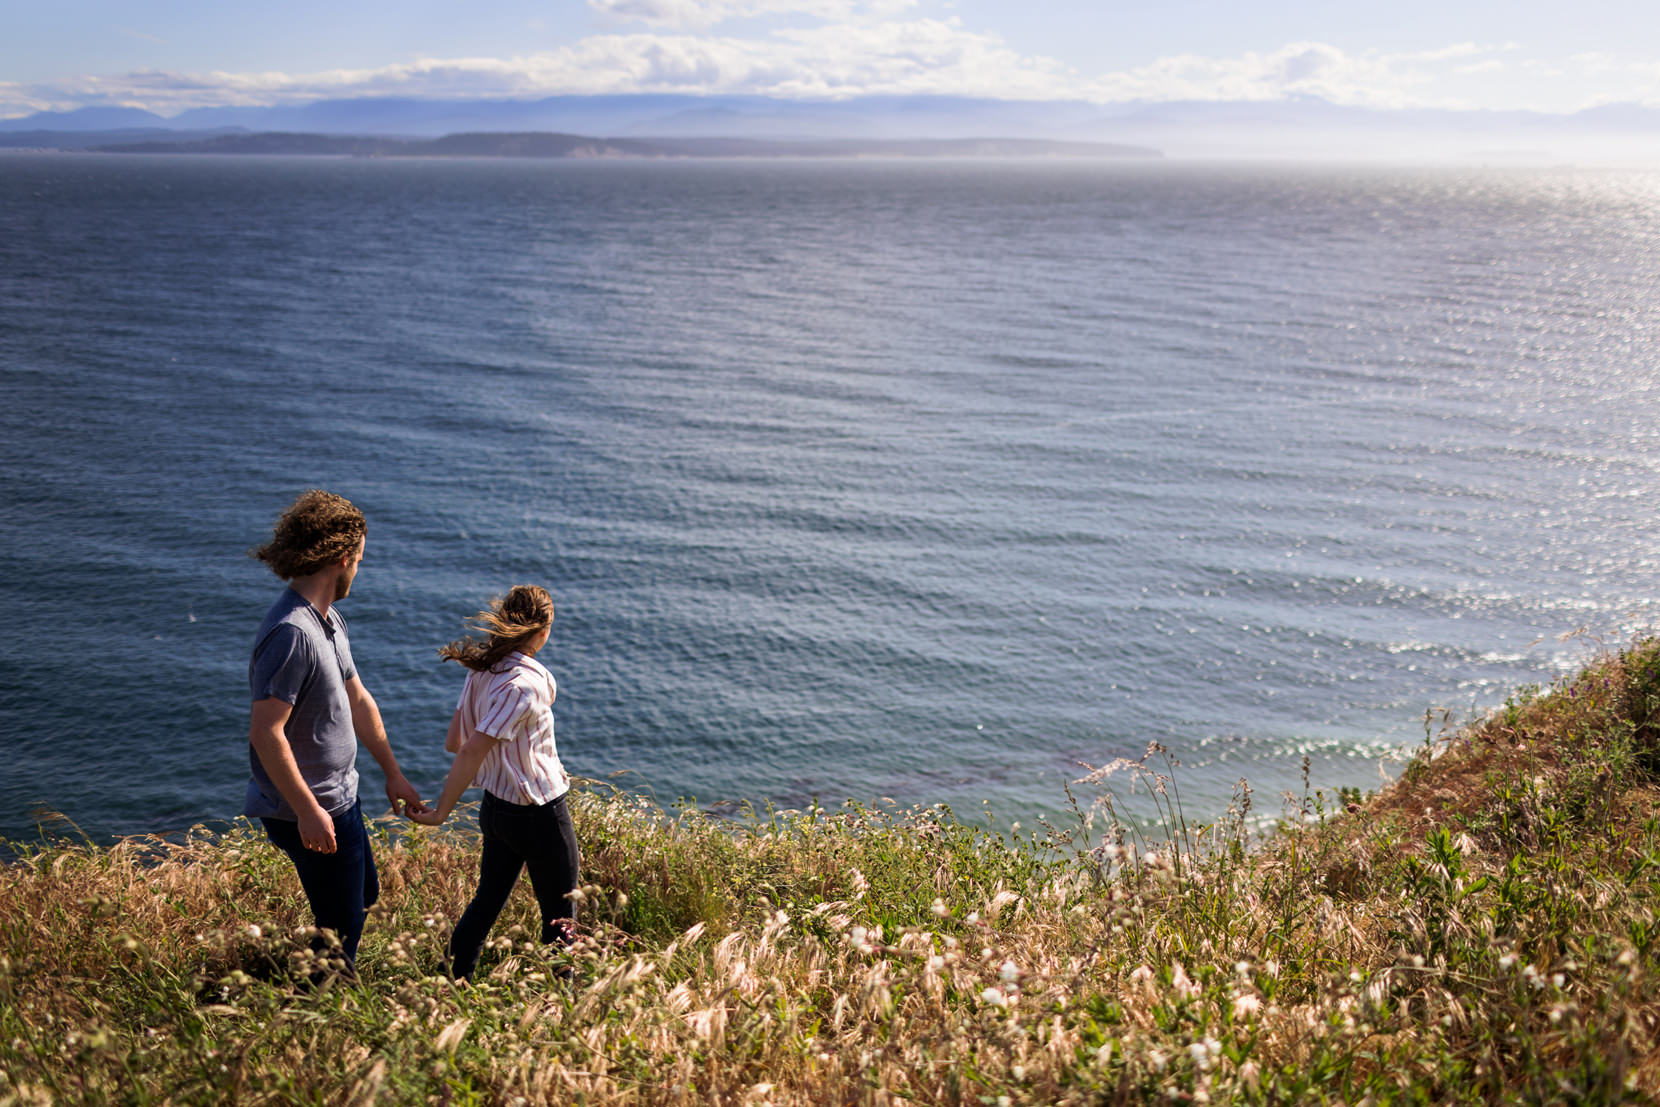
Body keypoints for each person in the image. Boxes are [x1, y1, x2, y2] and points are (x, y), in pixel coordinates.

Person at [245, 489, 427, 972]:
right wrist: (308, 811)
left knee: (361, 896)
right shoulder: (292, 633)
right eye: (360, 561)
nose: (359, 570)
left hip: (338, 796)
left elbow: (359, 700)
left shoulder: (327, 621)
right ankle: (318, 1004)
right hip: (310, 805)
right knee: (340, 932)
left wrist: (392, 773)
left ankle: (300, 976)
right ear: (343, 558)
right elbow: (266, 732)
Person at [409, 585, 579, 980]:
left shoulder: (481, 671)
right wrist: (441, 813)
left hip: (497, 810)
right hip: (540, 813)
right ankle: (562, 1005)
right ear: (543, 632)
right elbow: (470, 750)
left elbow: (456, 742)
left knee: (485, 903)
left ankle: (449, 986)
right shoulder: (527, 683)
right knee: (561, 918)